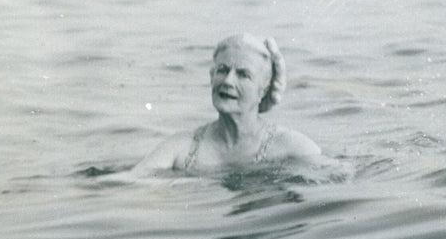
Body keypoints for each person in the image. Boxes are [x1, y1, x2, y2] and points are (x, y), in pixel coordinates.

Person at [132, 33, 333, 176]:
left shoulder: (291, 146)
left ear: (263, 90)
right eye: (222, 70)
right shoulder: (182, 147)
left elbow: (339, 176)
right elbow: (131, 181)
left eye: (243, 74)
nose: (228, 81)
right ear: (211, 77)